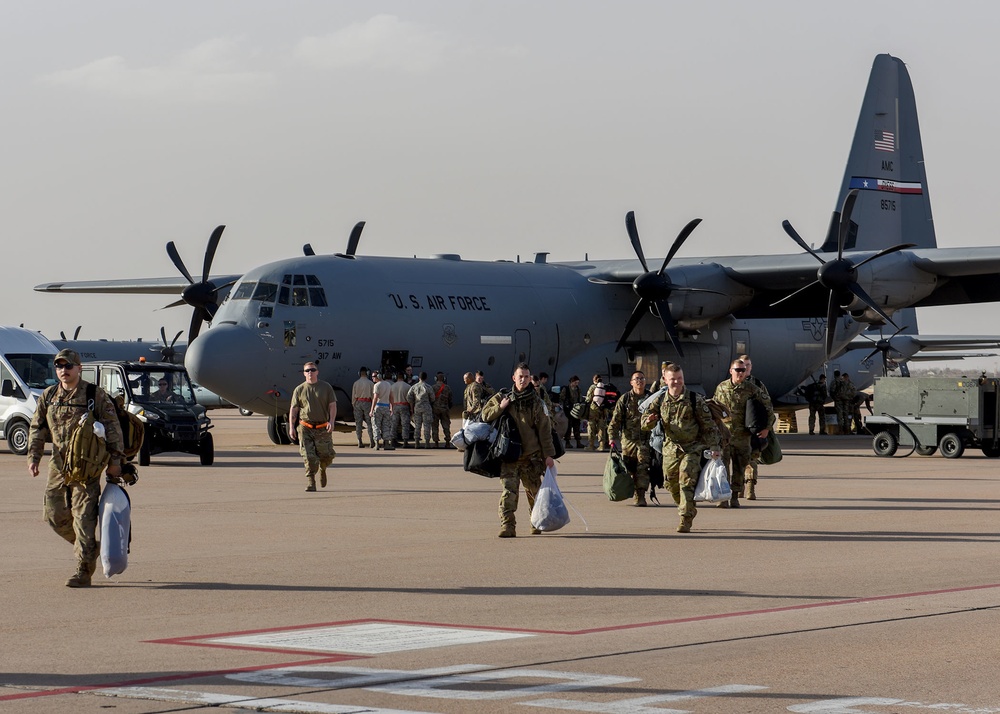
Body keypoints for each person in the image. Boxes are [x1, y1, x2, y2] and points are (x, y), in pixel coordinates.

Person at [27, 348, 125, 587]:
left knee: (83, 519)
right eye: (59, 366)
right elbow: (37, 428)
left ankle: (83, 569)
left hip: (86, 467)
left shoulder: (94, 395)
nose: (63, 371)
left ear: (79, 368)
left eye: (68, 366)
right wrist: (34, 457)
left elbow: (113, 429)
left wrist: (115, 463)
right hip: (58, 465)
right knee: (53, 515)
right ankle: (90, 548)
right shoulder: (49, 396)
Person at [480, 363, 556, 538]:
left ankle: (535, 522)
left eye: (526, 376)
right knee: (509, 492)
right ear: (514, 378)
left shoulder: (537, 402)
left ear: (530, 379)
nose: (523, 379)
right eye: (520, 376)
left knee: (534, 492)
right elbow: (485, 414)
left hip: (531, 457)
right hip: (509, 456)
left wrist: (549, 455)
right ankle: (508, 525)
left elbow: (545, 430)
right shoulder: (503, 397)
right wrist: (501, 407)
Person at [643, 363, 720, 533]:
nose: (677, 383)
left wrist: (714, 447)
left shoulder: (694, 399)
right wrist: (649, 422)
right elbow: (644, 421)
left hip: (692, 448)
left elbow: (708, 425)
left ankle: (685, 518)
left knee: (685, 479)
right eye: (673, 379)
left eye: (680, 379)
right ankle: (686, 506)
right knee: (670, 483)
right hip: (670, 448)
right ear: (665, 380)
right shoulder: (660, 400)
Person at [713, 358, 772, 508]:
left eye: (743, 370)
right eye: (737, 370)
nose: (740, 373)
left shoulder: (752, 389)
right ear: (730, 371)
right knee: (722, 468)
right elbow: (714, 408)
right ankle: (723, 497)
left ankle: (734, 496)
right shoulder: (721, 388)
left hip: (743, 437)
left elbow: (768, 407)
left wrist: (766, 428)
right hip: (724, 436)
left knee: (740, 468)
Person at [288, 361, 337, 491]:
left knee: (327, 455)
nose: (310, 372)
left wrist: (331, 421)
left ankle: (323, 468)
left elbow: (332, 405)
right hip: (305, 426)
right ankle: (311, 482)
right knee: (308, 456)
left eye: (313, 370)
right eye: (307, 370)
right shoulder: (299, 389)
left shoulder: (326, 387)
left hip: (322, 426)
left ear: (317, 372)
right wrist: (292, 427)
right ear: (304, 373)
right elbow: (294, 409)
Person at [608, 370, 652, 506]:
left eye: (642, 378)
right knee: (630, 467)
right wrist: (611, 437)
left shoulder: (651, 398)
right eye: (637, 379)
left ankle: (641, 495)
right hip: (628, 440)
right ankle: (633, 491)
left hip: (645, 440)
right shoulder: (625, 399)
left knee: (643, 467)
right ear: (631, 382)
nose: (640, 381)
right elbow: (615, 420)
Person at [738, 354, 774, 500]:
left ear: (751, 367)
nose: (745, 368)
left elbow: (768, 407)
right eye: (742, 365)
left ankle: (750, 488)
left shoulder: (758, 385)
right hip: (737, 430)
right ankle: (738, 487)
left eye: (748, 365)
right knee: (737, 460)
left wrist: (767, 428)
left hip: (754, 429)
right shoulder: (729, 385)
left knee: (752, 460)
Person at [407, 371, 435, 448]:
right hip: (426, 407)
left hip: (417, 407)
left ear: (419, 378)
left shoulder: (414, 387)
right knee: (427, 425)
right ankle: (427, 443)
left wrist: (412, 407)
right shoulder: (428, 387)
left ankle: (416, 442)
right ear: (426, 378)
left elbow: (409, 398)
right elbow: (433, 398)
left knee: (417, 425)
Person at [584, 374, 610, 451]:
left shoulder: (592, 387)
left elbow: (588, 398)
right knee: (601, 427)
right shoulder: (605, 387)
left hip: (594, 409)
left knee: (591, 426)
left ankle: (591, 445)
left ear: (594, 380)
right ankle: (602, 445)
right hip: (603, 410)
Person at [351, 367, 375, 448]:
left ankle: (359, 441)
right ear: (367, 373)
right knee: (369, 423)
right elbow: (373, 396)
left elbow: (353, 396)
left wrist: (354, 405)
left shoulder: (356, 383)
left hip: (358, 402)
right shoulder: (370, 383)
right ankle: (372, 441)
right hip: (367, 402)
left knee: (358, 423)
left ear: (359, 373)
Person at [370, 371, 394, 450]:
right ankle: (386, 444)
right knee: (386, 425)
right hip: (386, 407)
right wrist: (392, 408)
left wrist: (371, 410)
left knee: (376, 425)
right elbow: (391, 397)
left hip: (378, 407)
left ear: (378, 376)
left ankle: (377, 444)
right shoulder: (388, 384)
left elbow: (375, 398)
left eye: (373, 376)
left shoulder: (377, 385)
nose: (372, 378)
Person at [390, 372, 413, 448]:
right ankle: (405, 441)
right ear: (404, 377)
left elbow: (391, 398)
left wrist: (391, 407)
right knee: (405, 424)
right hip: (404, 405)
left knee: (394, 424)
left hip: (395, 406)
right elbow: (410, 399)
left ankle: (393, 440)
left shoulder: (392, 386)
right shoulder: (408, 386)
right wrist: (411, 409)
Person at [431, 372, 453, 448]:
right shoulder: (447, 387)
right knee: (446, 426)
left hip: (435, 409)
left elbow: (431, 398)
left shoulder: (433, 387)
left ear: (436, 379)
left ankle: (436, 442)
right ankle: (447, 442)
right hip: (444, 409)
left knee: (435, 426)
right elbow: (450, 399)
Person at [561, 375, 583, 448]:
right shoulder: (566, 389)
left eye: (577, 382)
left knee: (577, 425)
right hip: (568, 410)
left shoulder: (578, 389)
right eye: (575, 382)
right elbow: (562, 398)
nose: (577, 384)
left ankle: (578, 441)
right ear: (572, 382)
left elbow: (580, 398)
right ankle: (567, 441)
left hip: (576, 409)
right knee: (568, 426)